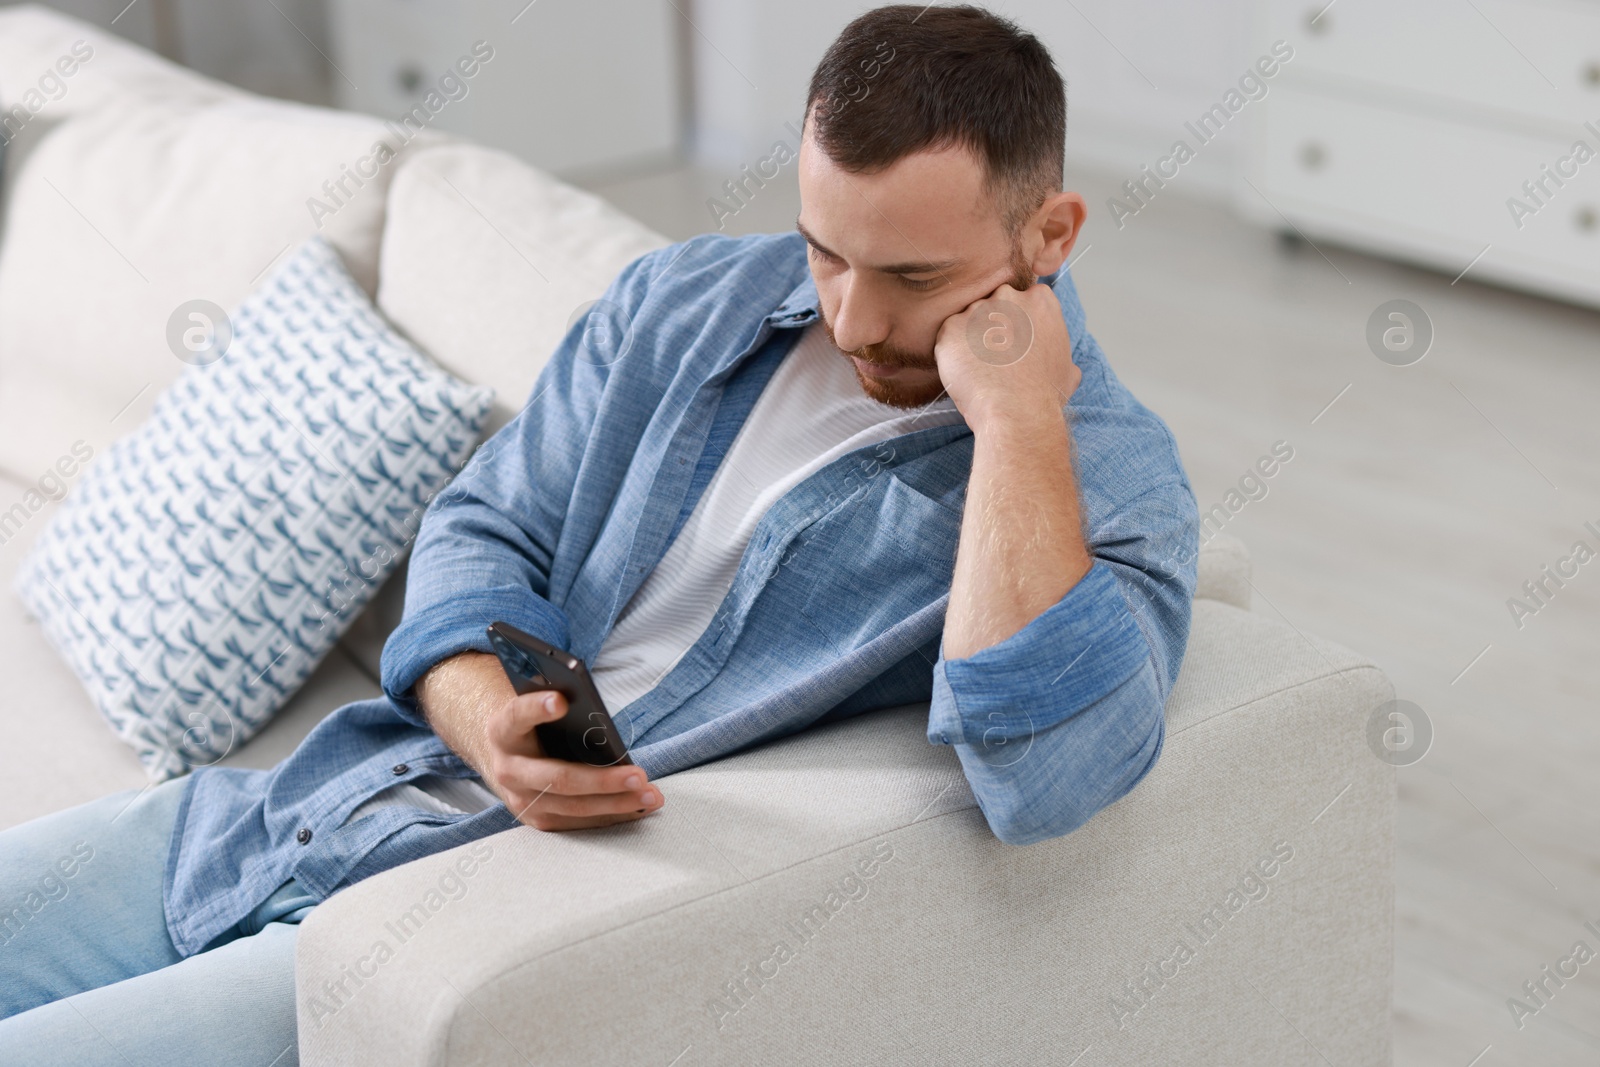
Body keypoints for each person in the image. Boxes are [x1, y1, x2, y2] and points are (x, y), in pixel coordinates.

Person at [0, 5, 1199, 1063]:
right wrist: (480, 712)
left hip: (448, 934)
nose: (851, 316)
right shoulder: (682, 300)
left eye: (913, 276)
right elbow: (486, 518)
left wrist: (1017, 416)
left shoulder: (1106, 475)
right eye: (825, 249)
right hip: (318, 800)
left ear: (1048, 235)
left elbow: (1046, 773)